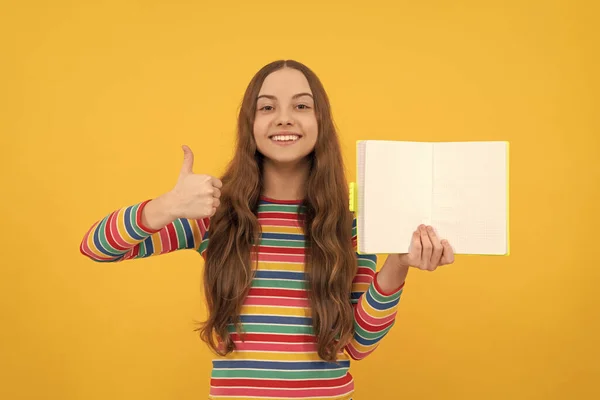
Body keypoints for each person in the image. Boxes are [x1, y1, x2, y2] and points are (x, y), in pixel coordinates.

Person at [80, 59, 455, 400]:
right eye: (267, 107)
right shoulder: (214, 214)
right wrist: (168, 206)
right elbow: (96, 246)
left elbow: (358, 345)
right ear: (251, 124)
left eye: (302, 106)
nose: (284, 118)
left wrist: (399, 264)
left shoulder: (351, 224)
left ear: (320, 122)